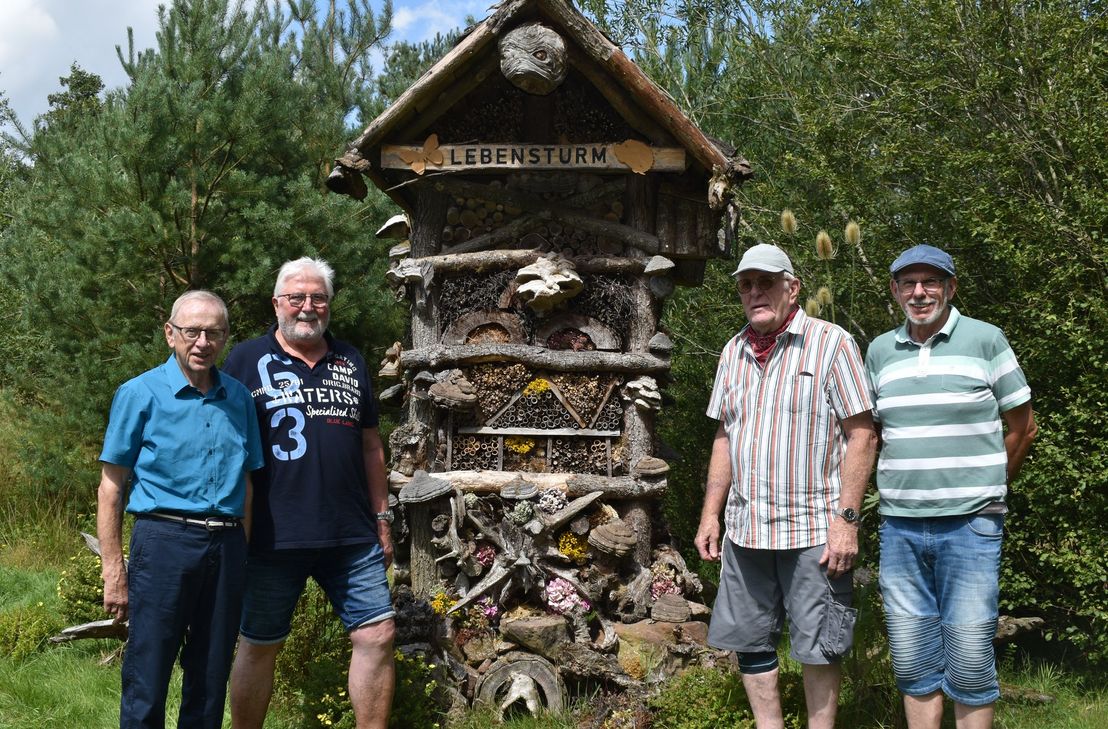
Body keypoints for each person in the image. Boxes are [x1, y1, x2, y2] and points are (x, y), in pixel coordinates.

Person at [695, 244, 878, 729]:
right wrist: (711, 514)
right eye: (746, 285)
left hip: (813, 531)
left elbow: (862, 435)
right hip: (746, 528)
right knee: (750, 641)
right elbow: (724, 436)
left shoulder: (831, 343)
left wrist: (847, 520)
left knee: (819, 645)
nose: (755, 292)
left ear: (791, 287)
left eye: (766, 282)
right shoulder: (732, 352)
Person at [865, 244, 1036, 729]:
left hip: (971, 527)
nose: (920, 293)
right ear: (896, 291)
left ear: (950, 287)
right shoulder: (879, 351)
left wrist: (990, 487)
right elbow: (870, 436)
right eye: (909, 283)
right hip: (899, 528)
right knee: (912, 657)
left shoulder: (985, 339)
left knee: (969, 655)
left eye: (931, 282)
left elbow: (1023, 426)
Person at [224, 257, 395, 729]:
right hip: (273, 536)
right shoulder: (244, 359)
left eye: (318, 298)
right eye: (296, 297)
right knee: (260, 643)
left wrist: (382, 519)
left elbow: (370, 444)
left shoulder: (351, 359)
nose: (307, 307)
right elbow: (225, 444)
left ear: (329, 305)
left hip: (351, 533)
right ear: (277, 303)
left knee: (378, 635)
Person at [97, 290, 264, 729]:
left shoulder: (240, 399)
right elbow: (111, 488)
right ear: (171, 334)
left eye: (214, 333)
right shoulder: (139, 393)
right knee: (147, 673)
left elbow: (246, 484)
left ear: (225, 338)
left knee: (210, 677)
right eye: (192, 331)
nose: (202, 342)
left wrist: (241, 554)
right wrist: (114, 569)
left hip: (226, 545)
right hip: (163, 541)